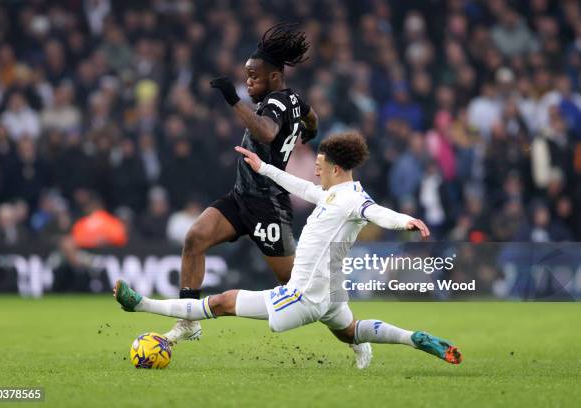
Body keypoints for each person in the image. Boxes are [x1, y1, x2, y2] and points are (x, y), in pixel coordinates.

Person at [115, 132, 462, 368]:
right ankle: (413, 339)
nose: (316, 169)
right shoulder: (334, 193)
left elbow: (377, 213)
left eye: (321, 166)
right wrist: (263, 167)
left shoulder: (354, 200)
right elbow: (303, 187)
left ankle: (140, 304)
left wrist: (405, 222)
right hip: (329, 293)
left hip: (304, 296)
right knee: (350, 330)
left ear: (336, 169)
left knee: (222, 302)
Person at [167, 23, 319, 342]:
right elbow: (312, 117)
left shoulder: (276, 102)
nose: (248, 82)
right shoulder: (292, 99)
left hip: (268, 206)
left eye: (254, 76)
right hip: (240, 199)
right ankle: (188, 320)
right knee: (195, 238)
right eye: (246, 76)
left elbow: (266, 132)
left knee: (297, 287)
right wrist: (310, 131)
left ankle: (346, 325)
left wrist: (233, 100)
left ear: (274, 76)